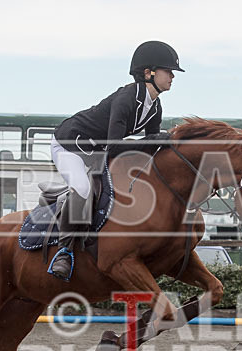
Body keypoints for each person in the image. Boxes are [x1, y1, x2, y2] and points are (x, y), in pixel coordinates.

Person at [48, 40, 184, 280]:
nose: (173, 76)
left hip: (96, 151)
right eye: (168, 71)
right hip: (70, 145)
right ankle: (64, 251)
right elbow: (116, 145)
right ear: (148, 73)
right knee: (82, 188)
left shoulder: (155, 107)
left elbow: (150, 147)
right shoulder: (126, 98)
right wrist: (156, 140)